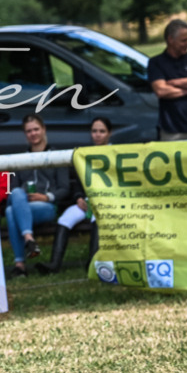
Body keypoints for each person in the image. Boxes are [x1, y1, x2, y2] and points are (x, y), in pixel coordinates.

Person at [36, 117, 111, 274]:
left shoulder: (114, 154)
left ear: (109, 134)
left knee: (97, 219)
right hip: (85, 202)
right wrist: (78, 198)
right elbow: (77, 183)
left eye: (102, 131)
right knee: (65, 219)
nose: (97, 135)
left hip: (106, 202)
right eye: (94, 131)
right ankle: (54, 264)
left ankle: (92, 263)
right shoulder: (85, 154)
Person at [5, 114, 70, 278]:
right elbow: (10, 190)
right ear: (25, 134)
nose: (33, 133)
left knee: (11, 212)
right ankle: (28, 240)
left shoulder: (56, 155)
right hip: (23, 205)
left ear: (43, 130)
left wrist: (47, 197)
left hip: (46, 207)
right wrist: (21, 198)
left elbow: (64, 188)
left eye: (36, 129)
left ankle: (20, 264)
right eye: (29, 131)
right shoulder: (20, 159)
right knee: (13, 205)